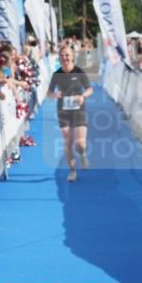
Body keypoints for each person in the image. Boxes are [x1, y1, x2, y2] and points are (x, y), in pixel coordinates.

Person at [47, 45, 93, 182]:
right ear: (59, 58)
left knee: (80, 143)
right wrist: (55, 94)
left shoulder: (79, 72)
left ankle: (83, 154)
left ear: (72, 56)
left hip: (79, 110)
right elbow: (48, 93)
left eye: (67, 55)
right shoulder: (57, 75)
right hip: (63, 111)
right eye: (62, 56)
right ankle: (72, 171)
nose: (65, 58)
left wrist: (83, 96)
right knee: (68, 142)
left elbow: (90, 89)